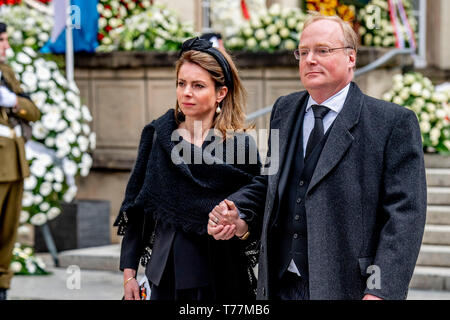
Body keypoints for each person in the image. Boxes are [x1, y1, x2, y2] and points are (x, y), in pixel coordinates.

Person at [208, 14, 427, 300]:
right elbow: (271, 183)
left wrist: (381, 291)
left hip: (348, 288)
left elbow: (405, 215)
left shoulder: (392, 122)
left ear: (351, 57)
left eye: (322, 50)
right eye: (303, 51)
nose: (310, 59)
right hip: (278, 284)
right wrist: (240, 212)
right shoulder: (284, 110)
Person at [114, 37, 261, 300]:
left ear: (221, 93)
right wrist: (129, 275)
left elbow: (257, 210)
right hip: (164, 276)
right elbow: (139, 209)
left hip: (220, 279)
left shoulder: (240, 146)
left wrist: (239, 224)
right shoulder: (159, 136)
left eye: (198, 85)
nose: (186, 92)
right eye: (182, 83)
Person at [0, 22, 40, 300]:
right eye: (2, 40)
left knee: (7, 230)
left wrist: (12, 100)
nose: (6, 46)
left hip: (13, 160)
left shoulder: (6, 73)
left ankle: (2, 283)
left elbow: (33, 111)